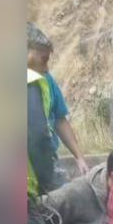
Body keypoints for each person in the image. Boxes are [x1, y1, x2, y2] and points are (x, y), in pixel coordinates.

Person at [28, 67, 69, 224]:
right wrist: (46, 181)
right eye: (43, 57)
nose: (47, 64)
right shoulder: (30, 80)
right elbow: (38, 136)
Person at [27, 23, 90, 181]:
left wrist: (79, 158)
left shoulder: (46, 80)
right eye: (44, 60)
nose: (47, 68)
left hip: (47, 164)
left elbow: (59, 120)